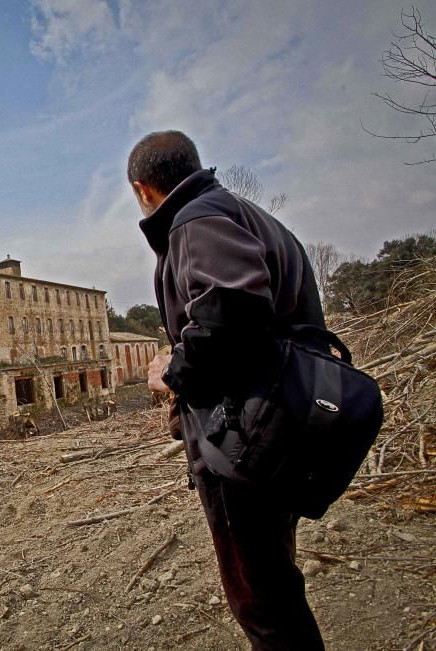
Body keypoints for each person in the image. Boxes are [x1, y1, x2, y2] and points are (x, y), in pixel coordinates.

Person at [128, 130, 326, 650]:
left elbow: (231, 318)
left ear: (142, 189)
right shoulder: (242, 214)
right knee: (273, 582)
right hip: (280, 424)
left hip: (248, 439)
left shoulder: (197, 222)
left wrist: (170, 370)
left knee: (261, 600)